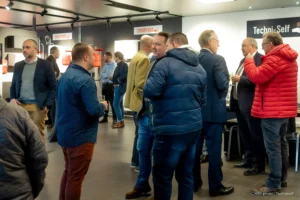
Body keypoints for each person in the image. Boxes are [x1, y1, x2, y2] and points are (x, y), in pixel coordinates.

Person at [143, 32, 207, 200]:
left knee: (163, 176)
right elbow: (203, 99)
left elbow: (150, 91)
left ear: (174, 44)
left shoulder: (165, 64)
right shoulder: (199, 67)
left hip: (169, 128)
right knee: (186, 174)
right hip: (193, 126)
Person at [245, 32, 298, 194]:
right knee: (281, 145)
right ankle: (282, 178)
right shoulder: (290, 60)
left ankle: (274, 183)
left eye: (263, 46)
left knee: (273, 149)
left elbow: (257, 76)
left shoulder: (275, 59)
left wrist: (249, 62)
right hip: (284, 112)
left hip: (271, 112)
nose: (263, 49)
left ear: (271, 45)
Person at [57, 43, 108, 200]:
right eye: (93, 55)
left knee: (69, 172)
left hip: (65, 135)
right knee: (75, 178)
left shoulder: (65, 75)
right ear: (86, 56)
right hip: (81, 138)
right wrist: (103, 106)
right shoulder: (85, 80)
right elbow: (93, 110)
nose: (94, 58)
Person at [125, 32, 169, 199]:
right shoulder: (149, 62)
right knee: (142, 150)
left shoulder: (168, 64)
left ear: (168, 45)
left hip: (159, 116)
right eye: (154, 44)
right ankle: (142, 184)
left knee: (158, 156)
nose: (155, 47)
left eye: (158, 44)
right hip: (145, 114)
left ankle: (159, 192)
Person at [195, 30, 234, 197]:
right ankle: (215, 186)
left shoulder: (193, 59)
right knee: (214, 151)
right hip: (213, 113)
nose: (218, 44)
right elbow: (221, 83)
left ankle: (195, 182)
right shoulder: (218, 59)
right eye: (217, 41)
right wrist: (228, 78)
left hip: (195, 113)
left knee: (194, 151)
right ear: (210, 41)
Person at [230, 38, 265, 176]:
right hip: (240, 104)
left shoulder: (260, 59)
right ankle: (248, 159)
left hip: (252, 104)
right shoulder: (242, 60)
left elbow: (258, 79)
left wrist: (241, 79)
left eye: (243, 46)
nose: (241, 48)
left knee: (255, 135)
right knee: (244, 134)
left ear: (252, 46)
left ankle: (258, 165)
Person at [0, 97, 48, 200]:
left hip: (36, 105)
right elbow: (39, 158)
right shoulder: (19, 114)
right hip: (19, 193)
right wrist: (31, 190)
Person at [10, 39, 56, 142]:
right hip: (20, 105)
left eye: (27, 47)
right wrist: (12, 98)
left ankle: (39, 158)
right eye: (23, 47)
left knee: (37, 135)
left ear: (36, 49)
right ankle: (25, 158)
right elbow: (13, 85)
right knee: (21, 135)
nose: (24, 50)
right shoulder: (18, 65)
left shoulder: (45, 65)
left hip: (37, 106)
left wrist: (47, 105)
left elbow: (53, 87)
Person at [124, 35, 153, 170]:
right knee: (141, 135)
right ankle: (138, 163)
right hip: (139, 102)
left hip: (133, 101)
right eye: (154, 44)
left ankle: (135, 161)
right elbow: (141, 82)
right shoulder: (144, 59)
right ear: (148, 44)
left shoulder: (136, 57)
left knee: (138, 133)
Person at [100, 52, 117, 124]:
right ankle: (105, 117)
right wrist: (107, 76)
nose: (104, 58)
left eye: (105, 56)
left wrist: (106, 76)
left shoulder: (114, 65)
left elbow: (112, 75)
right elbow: (102, 74)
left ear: (109, 56)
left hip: (110, 85)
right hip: (104, 85)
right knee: (104, 101)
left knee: (112, 102)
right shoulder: (105, 65)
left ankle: (114, 119)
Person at [112, 51, 128, 128]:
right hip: (117, 86)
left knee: (115, 104)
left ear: (117, 57)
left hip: (119, 87)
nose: (114, 58)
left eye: (114, 57)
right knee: (119, 104)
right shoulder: (119, 65)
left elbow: (124, 75)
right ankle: (121, 121)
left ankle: (119, 121)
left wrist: (118, 81)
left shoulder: (123, 65)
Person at [46, 46, 60, 129]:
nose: (59, 54)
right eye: (58, 52)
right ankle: (52, 122)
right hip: (52, 86)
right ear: (55, 52)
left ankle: (51, 121)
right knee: (53, 105)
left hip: (52, 85)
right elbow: (52, 73)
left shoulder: (52, 60)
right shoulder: (50, 60)